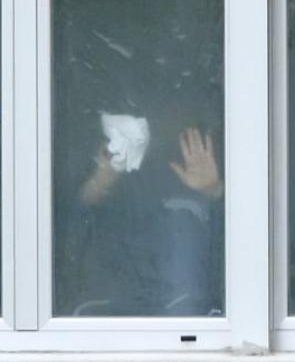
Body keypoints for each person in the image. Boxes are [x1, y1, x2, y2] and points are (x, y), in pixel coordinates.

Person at [70, 125, 224, 317]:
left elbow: (237, 249)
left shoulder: (198, 211)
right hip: (109, 328)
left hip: (189, 330)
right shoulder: (108, 214)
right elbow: (68, 226)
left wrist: (214, 190)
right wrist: (101, 181)